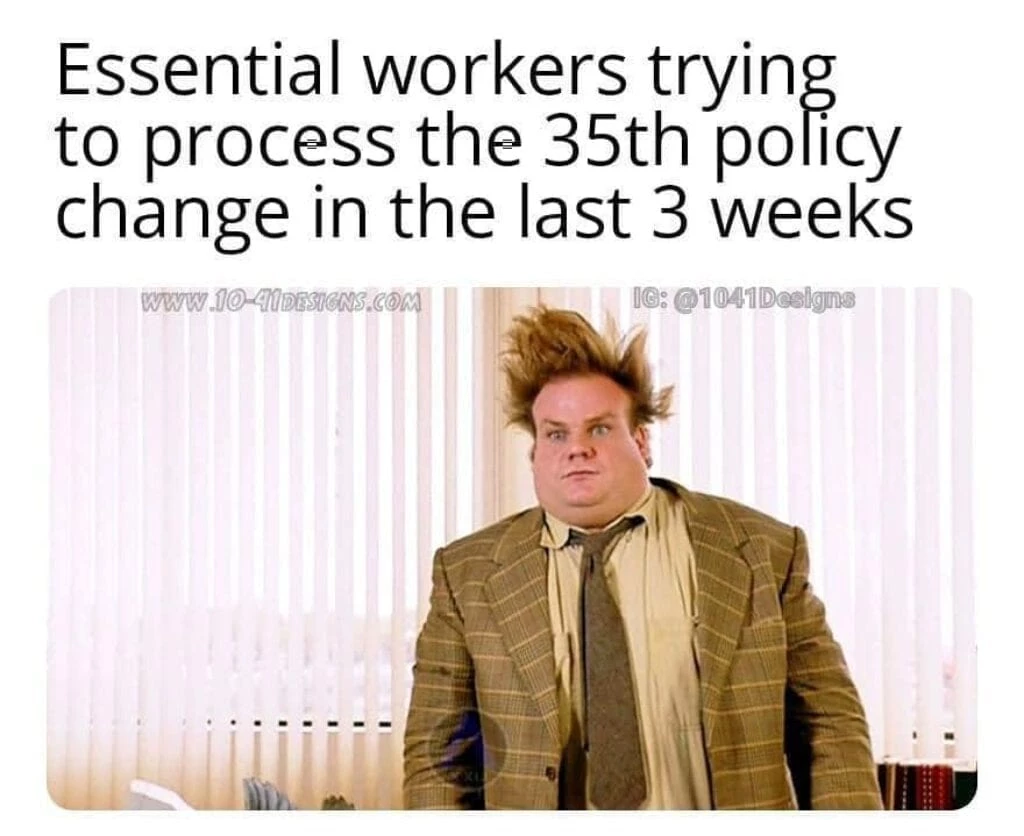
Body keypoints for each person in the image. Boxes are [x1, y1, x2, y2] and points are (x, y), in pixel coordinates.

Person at [402, 305, 882, 810]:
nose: (577, 449)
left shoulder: (761, 552)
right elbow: (439, 755)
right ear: (535, 454)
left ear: (642, 441)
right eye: (556, 433)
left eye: (600, 429)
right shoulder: (467, 574)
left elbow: (830, 725)